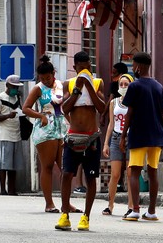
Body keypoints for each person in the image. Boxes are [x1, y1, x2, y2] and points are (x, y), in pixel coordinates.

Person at [55, 51, 106, 232]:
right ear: (75, 67)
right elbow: (65, 108)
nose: (84, 70)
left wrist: (89, 87)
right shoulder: (68, 84)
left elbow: (102, 107)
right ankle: (65, 214)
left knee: (90, 177)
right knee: (67, 174)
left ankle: (86, 216)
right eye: (81, 67)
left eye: (87, 67)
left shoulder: (97, 82)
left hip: (91, 138)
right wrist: (77, 90)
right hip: (73, 138)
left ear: (90, 66)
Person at [120, 52, 163, 222]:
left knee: (134, 171)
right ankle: (151, 211)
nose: (133, 69)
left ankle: (135, 209)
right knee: (153, 172)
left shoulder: (134, 86)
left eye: (133, 66)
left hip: (139, 135)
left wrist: (123, 135)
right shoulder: (159, 87)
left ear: (139, 67)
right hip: (157, 136)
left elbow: (129, 112)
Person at [22, 56, 67, 213]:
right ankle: (49, 203)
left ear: (53, 73)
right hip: (45, 129)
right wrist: (40, 116)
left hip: (61, 128)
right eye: (43, 78)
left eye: (48, 77)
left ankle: (66, 203)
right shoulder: (38, 88)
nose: (46, 81)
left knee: (65, 167)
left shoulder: (61, 85)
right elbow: (25, 108)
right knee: (47, 166)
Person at [103, 73, 135, 216]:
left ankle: (131, 206)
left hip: (131, 138)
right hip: (116, 137)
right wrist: (106, 143)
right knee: (115, 174)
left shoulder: (135, 102)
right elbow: (111, 123)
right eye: (121, 84)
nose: (123, 87)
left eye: (126, 84)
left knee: (130, 174)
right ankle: (110, 205)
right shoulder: (113, 102)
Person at [0, 74, 24, 195]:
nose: (15, 89)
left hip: (17, 133)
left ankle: (12, 189)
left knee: (14, 164)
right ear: (7, 85)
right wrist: (8, 116)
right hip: (5, 134)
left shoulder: (17, 98)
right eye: (13, 87)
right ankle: (3, 190)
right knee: (4, 164)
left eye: (17, 87)